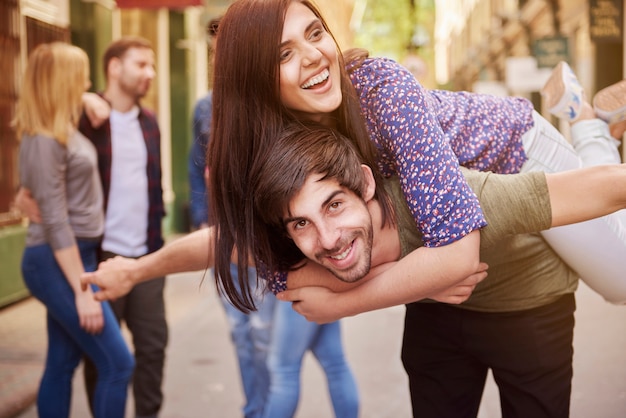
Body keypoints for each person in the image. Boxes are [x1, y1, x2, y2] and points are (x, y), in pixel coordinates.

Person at [206, 0, 626, 315]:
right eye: (284, 54)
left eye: (315, 34)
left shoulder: (380, 88)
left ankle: (587, 121)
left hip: (518, 150)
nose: (315, 55)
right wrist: (417, 279)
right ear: (254, 81)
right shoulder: (273, 151)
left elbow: (456, 252)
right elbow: (278, 266)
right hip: (484, 191)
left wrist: (341, 305)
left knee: (619, 281)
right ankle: (595, 126)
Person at [15, 36, 169, 418]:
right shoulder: (68, 126)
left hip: (132, 250)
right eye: (141, 65)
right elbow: (48, 201)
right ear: (114, 68)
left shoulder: (143, 122)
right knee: (110, 360)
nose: (149, 74)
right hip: (86, 256)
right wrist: (81, 289)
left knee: (79, 360)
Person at [188, 17, 278, 418]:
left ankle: (269, 407)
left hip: (263, 236)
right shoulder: (204, 108)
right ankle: (254, 409)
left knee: (262, 335)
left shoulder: (271, 101)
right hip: (224, 235)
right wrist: (201, 219)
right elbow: (196, 167)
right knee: (240, 333)